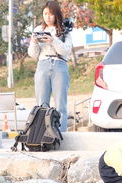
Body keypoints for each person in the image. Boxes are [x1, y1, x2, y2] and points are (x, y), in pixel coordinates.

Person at [28, 0, 72, 132]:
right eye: (45, 14)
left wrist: (53, 40)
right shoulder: (38, 29)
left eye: (51, 14)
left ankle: (61, 134)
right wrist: (34, 42)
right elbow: (33, 54)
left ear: (56, 15)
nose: (47, 17)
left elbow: (66, 50)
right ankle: (43, 134)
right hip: (43, 64)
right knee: (42, 103)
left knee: (61, 104)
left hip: (60, 65)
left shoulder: (64, 30)